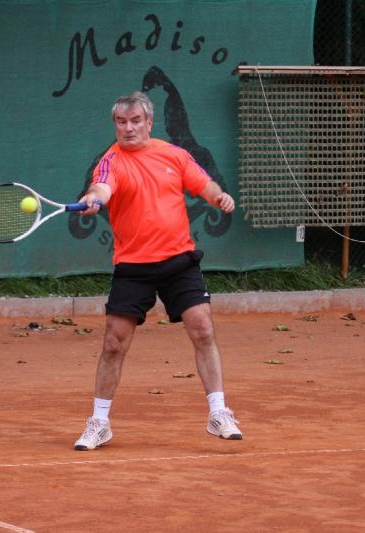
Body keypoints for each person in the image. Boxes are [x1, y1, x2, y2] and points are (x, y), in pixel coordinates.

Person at [73, 91, 242, 451]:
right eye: (121, 122)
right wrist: (93, 199)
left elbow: (204, 184)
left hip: (179, 261)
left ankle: (218, 413)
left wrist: (217, 197)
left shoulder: (174, 155)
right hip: (133, 266)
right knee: (114, 343)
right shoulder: (111, 161)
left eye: (135, 121)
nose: (128, 128)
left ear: (149, 122)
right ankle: (99, 423)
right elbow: (101, 187)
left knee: (203, 328)